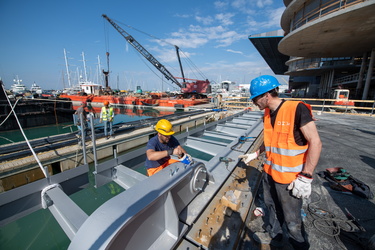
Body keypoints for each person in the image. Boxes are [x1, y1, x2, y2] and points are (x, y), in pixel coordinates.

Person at [239, 75, 322, 249]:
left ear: (266, 95)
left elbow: (315, 142)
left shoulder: (296, 109)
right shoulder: (268, 114)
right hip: (270, 173)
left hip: (290, 179)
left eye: (255, 99)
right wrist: (255, 154)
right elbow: (270, 141)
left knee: (292, 218)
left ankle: (298, 245)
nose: (254, 103)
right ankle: (275, 238)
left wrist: (306, 176)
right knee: (272, 209)